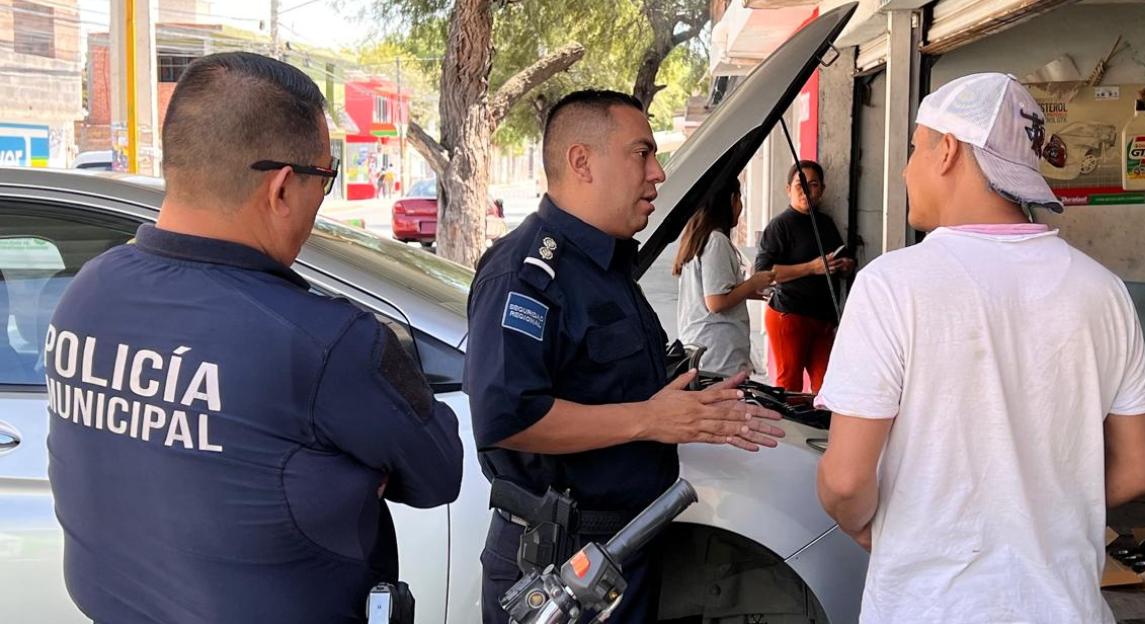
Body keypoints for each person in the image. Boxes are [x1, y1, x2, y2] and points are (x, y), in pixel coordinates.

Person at [44, 52, 464, 623]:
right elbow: (438, 472)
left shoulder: (85, 293)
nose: (322, 199)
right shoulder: (324, 341)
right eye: (325, 176)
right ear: (283, 188)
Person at [815, 72, 1145, 623]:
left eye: (913, 149)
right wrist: (1037, 507)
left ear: (947, 151)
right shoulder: (1104, 290)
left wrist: (869, 523)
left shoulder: (894, 284)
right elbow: (1142, 469)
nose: (906, 169)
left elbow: (845, 479)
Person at [463, 90, 785, 624]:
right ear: (582, 161)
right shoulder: (526, 272)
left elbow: (612, 388)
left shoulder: (607, 269)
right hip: (559, 566)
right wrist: (651, 419)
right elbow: (507, 416)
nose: (658, 173)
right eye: (643, 153)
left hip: (620, 550)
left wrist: (691, 403)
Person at [754, 160, 855, 392]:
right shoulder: (780, 226)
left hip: (822, 317)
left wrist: (844, 264)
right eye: (800, 185)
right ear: (788, 189)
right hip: (790, 314)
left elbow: (845, 258)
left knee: (826, 388)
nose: (807, 191)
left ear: (822, 189)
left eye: (813, 185)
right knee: (790, 386)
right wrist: (812, 267)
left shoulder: (825, 223)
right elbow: (763, 272)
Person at [673, 177, 775, 375]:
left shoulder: (701, 238)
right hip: (718, 356)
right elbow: (716, 302)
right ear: (731, 200)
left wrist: (751, 291)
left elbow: (718, 290)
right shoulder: (716, 241)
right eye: (740, 199)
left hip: (708, 350)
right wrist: (753, 282)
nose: (741, 207)